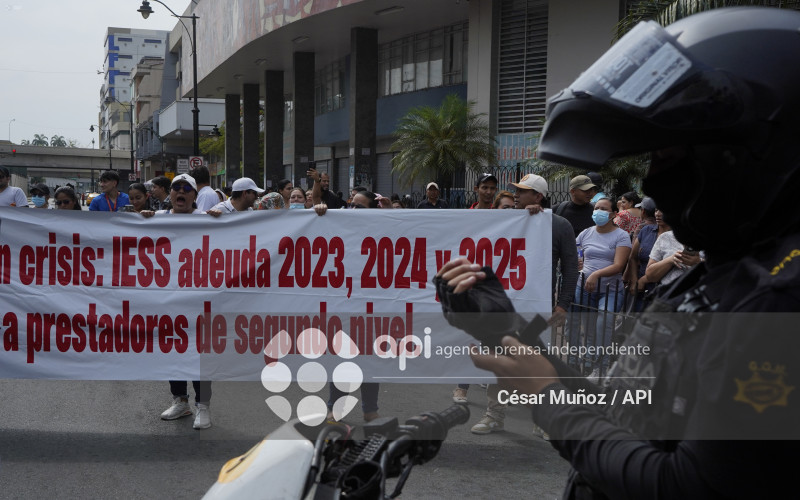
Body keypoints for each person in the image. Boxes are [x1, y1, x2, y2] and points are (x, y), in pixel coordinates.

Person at [440, 8, 800, 497]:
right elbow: (623, 407)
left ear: (753, 152)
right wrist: (505, 329)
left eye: (671, 156)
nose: (652, 180)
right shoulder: (721, 275)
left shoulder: (778, 298)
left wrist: (546, 396)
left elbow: (688, 484)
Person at [469, 173, 579, 435]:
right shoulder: (506, 220)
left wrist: (562, 305)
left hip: (536, 308)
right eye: (516, 191)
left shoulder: (559, 225)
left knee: (539, 364)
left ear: (538, 197)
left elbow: (571, 268)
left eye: (523, 191)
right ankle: (494, 414)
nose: (516, 195)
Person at [569, 197, 631, 377]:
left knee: (604, 324)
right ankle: (588, 363)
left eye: (603, 209)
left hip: (610, 289)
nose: (598, 211)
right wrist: (579, 260)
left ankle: (601, 367)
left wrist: (596, 274)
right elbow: (577, 250)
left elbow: (619, 265)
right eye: (596, 208)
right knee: (588, 328)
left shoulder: (621, 236)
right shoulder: (586, 233)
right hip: (585, 288)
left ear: (613, 214)